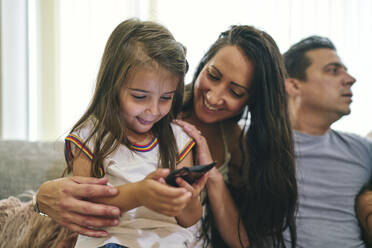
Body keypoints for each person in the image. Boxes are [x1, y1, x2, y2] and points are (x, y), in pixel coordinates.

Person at [36, 25, 298, 248]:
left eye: (236, 91)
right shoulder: (153, 113)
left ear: (252, 100)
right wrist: (41, 197)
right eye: (213, 75)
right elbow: (79, 200)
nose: (214, 96)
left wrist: (208, 179)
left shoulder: (211, 140)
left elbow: (214, 227)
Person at [59, 18, 209, 248]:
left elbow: (189, 218)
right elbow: (85, 208)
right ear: (112, 86)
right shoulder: (89, 137)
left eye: (166, 98)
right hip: (110, 241)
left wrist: (187, 198)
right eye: (140, 97)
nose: (153, 110)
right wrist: (140, 193)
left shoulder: (179, 139)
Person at [283, 35, 372, 247]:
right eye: (333, 70)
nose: (350, 79)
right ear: (294, 86)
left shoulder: (362, 150)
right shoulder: (253, 141)